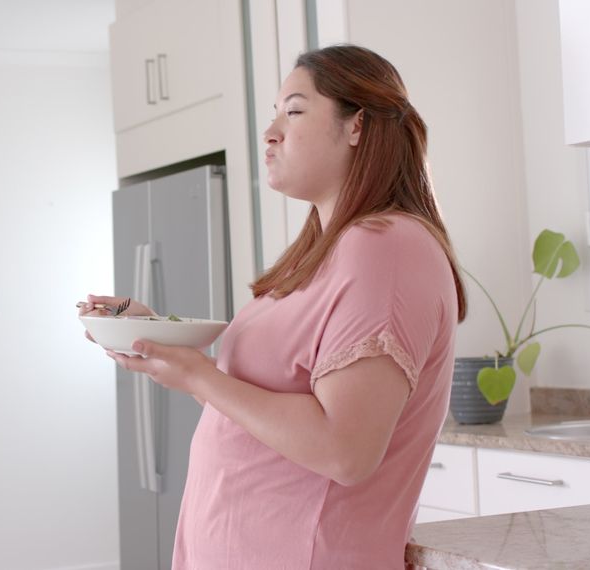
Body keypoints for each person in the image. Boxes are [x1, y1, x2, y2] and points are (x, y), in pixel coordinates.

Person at [80, 44, 467, 569]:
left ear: (357, 126)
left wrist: (199, 377)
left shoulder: (386, 247)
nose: (270, 132)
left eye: (295, 110)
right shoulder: (327, 251)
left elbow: (344, 450)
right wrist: (165, 347)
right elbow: (261, 413)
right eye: (274, 113)